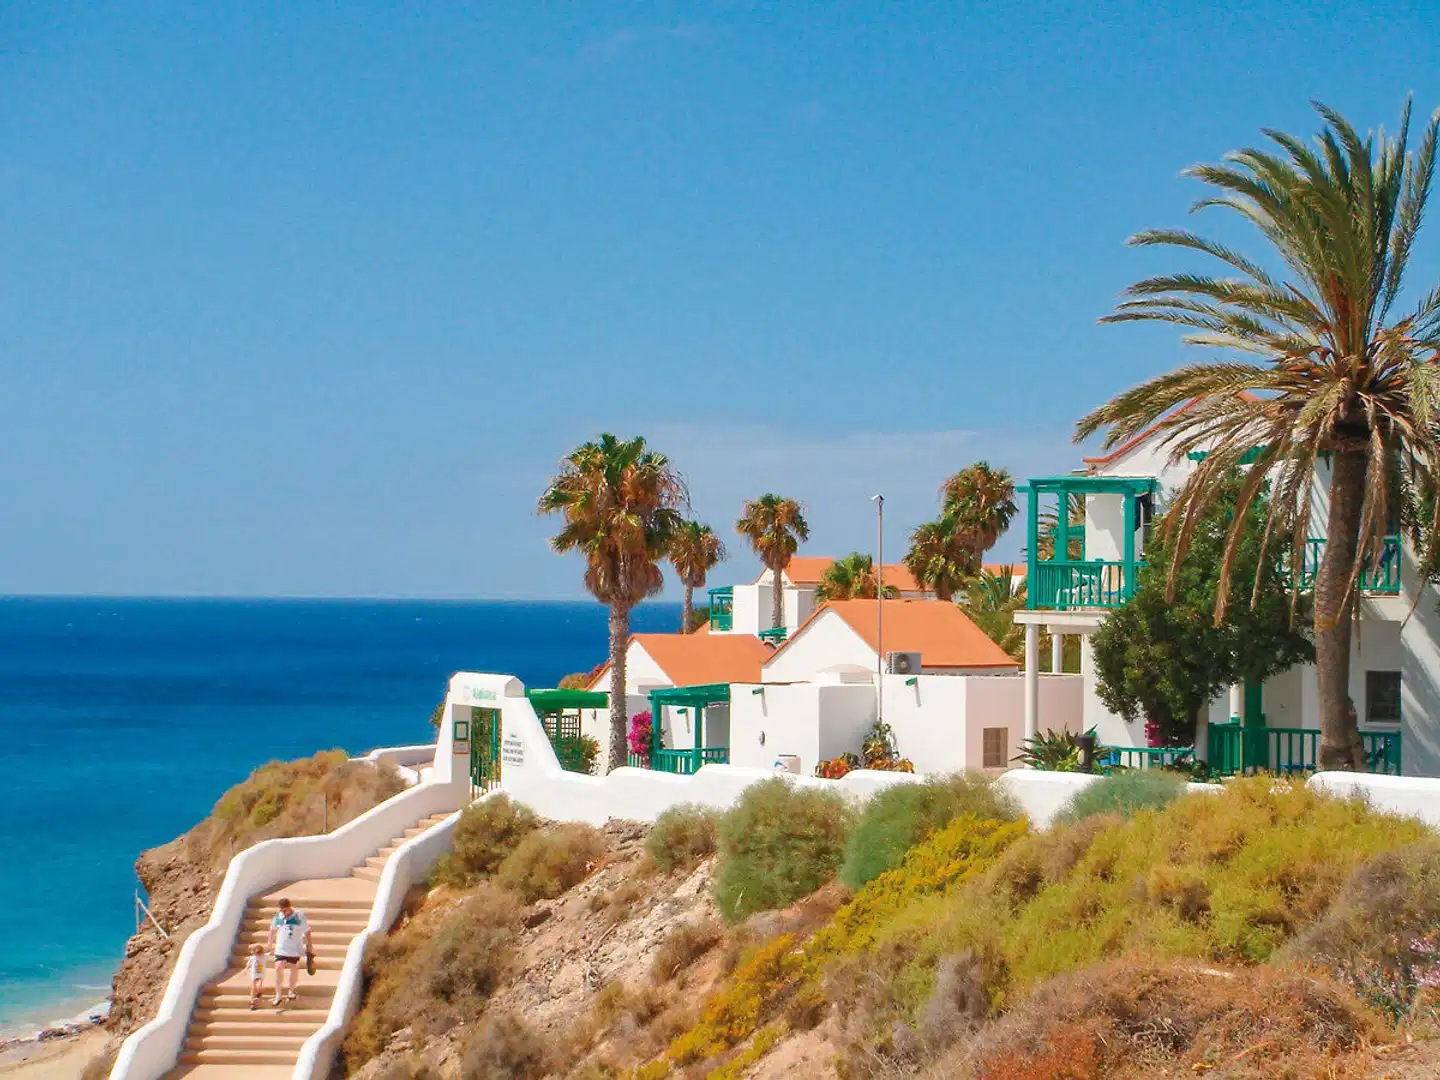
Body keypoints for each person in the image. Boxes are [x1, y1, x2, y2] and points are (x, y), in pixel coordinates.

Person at [265, 897, 311, 1006]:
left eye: (284, 910)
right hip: (281, 948)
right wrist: (269, 944)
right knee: (278, 967)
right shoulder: (278, 916)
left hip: (294, 948)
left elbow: (307, 931)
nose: (283, 912)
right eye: (281, 910)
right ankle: (278, 994)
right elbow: (272, 930)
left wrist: (310, 945)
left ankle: (291, 990)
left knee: (293, 968)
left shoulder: (299, 916)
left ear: (290, 907)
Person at [245, 944, 266, 1010]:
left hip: (261, 974)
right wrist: (246, 969)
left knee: (259, 985)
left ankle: (259, 992)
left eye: (260, 954)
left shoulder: (264, 956)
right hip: (254, 974)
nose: (259, 956)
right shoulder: (253, 958)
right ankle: (252, 1001)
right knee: (253, 987)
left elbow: (270, 954)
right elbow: (248, 964)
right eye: (258, 954)